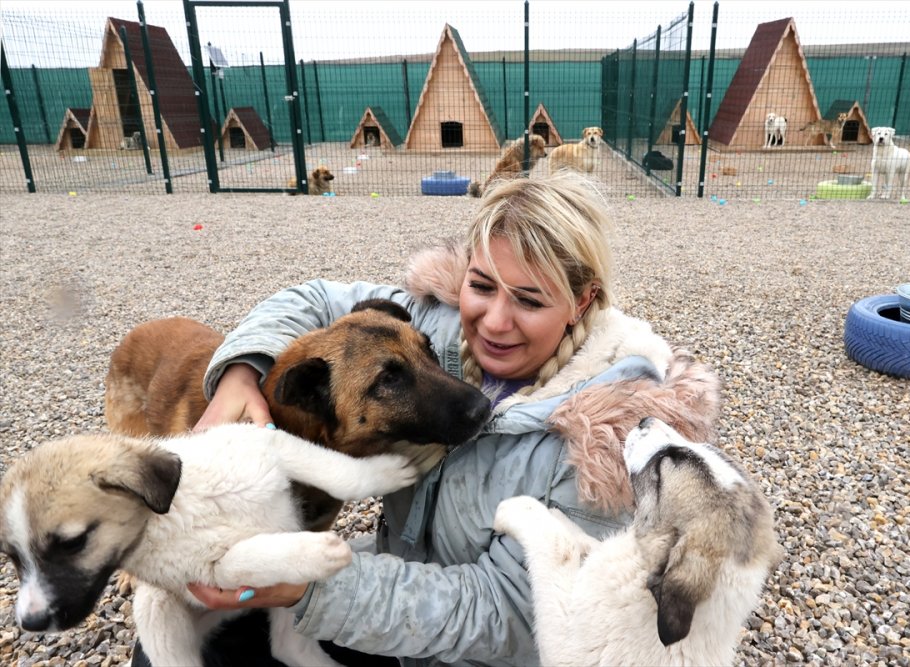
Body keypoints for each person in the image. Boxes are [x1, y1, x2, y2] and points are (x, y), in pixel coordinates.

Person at [132, 172, 720, 667]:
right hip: (398, 587)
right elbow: (310, 300)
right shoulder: (431, 324)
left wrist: (313, 589)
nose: (493, 321)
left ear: (583, 302)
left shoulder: (610, 444)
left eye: (530, 299)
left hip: (474, 649)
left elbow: (508, 615)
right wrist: (241, 368)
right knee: (165, 634)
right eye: (482, 285)